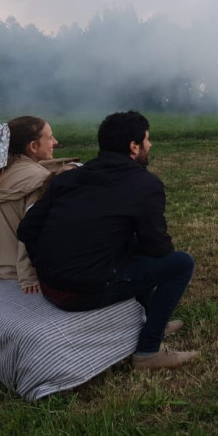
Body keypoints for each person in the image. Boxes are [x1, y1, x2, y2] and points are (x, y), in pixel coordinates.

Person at [17, 111, 198, 369]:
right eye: (146, 140)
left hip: (49, 286)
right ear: (133, 147)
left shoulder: (69, 177)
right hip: (81, 293)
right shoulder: (145, 184)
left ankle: (153, 320)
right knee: (180, 264)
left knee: (132, 249)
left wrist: (44, 264)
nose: (150, 145)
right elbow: (156, 246)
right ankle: (149, 350)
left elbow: (27, 228)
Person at [0, 116, 76, 293]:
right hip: (18, 271)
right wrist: (28, 277)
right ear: (33, 146)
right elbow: (31, 229)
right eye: (50, 137)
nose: (55, 141)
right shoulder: (39, 180)